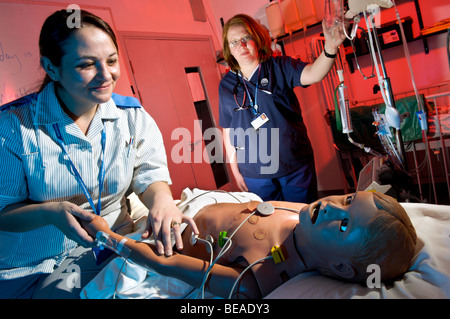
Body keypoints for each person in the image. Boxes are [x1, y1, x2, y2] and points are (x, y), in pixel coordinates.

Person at [0, 9, 197, 299]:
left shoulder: (132, 116)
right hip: (34, 266)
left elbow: (149, 175)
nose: (106, 75)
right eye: (87, 65)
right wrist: (50, 212)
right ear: (52, 68)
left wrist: (163, 201)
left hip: (114, 244)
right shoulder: (13, 127)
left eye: (112, 61)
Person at [82, 191, 417, 299]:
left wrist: (109, 238)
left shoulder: (264, 272)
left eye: (344, 224)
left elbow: (165, 264)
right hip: (194, 204)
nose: (332, 207)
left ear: (342, 267)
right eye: (347, 199)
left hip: (173, 239)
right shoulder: (304, 214)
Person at [219, 14, 348, 203]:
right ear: (229, 49)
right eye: (234, 42)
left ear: (256, 38)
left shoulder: (279, 67)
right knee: (270, 226)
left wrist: (330, 47)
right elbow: (228, 129)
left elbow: (313, 74)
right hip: (255, 173)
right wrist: (235, 169)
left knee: (301, 218)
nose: (242, 45)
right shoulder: (227, 85)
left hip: (294, 165)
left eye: (246, 38)